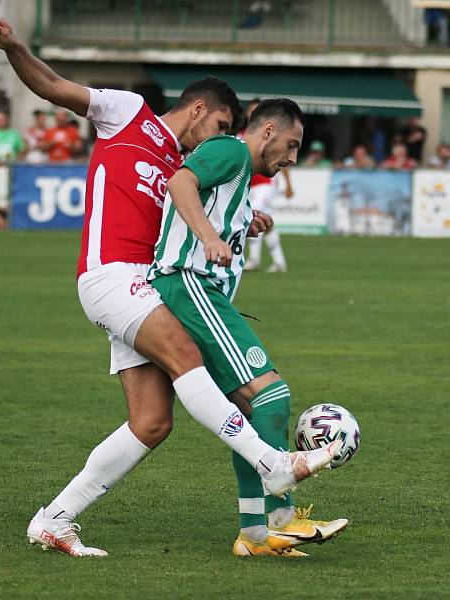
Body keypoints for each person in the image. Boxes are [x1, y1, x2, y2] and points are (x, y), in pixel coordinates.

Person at [0, 16, 339, 558]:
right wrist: (13, 47)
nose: (219, 137)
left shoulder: (182, 161)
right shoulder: (129, 114)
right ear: (199, 109)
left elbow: (193, 203)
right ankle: (274, 466)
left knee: (151, 423)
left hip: (139, 285)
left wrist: (241, 221)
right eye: (219, 124)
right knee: (186, 352)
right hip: (110, 274)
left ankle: (54, 519)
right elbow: (54, 87)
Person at [149, 97, 346, 558]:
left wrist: (243, 224)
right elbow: (181, 181)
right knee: (272, 396)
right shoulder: (233, 150)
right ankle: (280, 519)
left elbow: (208, 200)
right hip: (188, 285)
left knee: (250, 417)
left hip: (195, 291)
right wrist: (210, 236)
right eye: (291, 145)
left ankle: (255, 536)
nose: (293, 158)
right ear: (269, 130)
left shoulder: (240, 177)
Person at [239, 100, 291, 273]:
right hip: (249, 185)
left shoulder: (270, 137)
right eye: (251, 110)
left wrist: (288, 184)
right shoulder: (241, 135)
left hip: (265, 185)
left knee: (254, 217)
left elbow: (280, 160)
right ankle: (279, 261)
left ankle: (254, 259)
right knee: (266, 223)